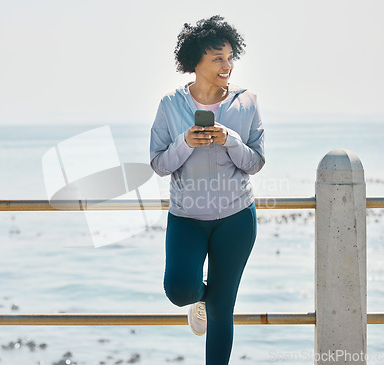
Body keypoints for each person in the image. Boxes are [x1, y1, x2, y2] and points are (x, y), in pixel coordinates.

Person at [149, 15, 265, 365]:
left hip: (236, 219)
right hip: (187, 218)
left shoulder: (247, 102)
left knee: (221, 310)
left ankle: (211, 306)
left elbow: (256, 161)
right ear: (195, 61)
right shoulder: (171, 105)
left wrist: (230, 141)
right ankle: (200, 299)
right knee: (179, 290)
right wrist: (185, 142)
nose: (226, 65)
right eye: (217, 58)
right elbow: (158, 164)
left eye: (230, 57)